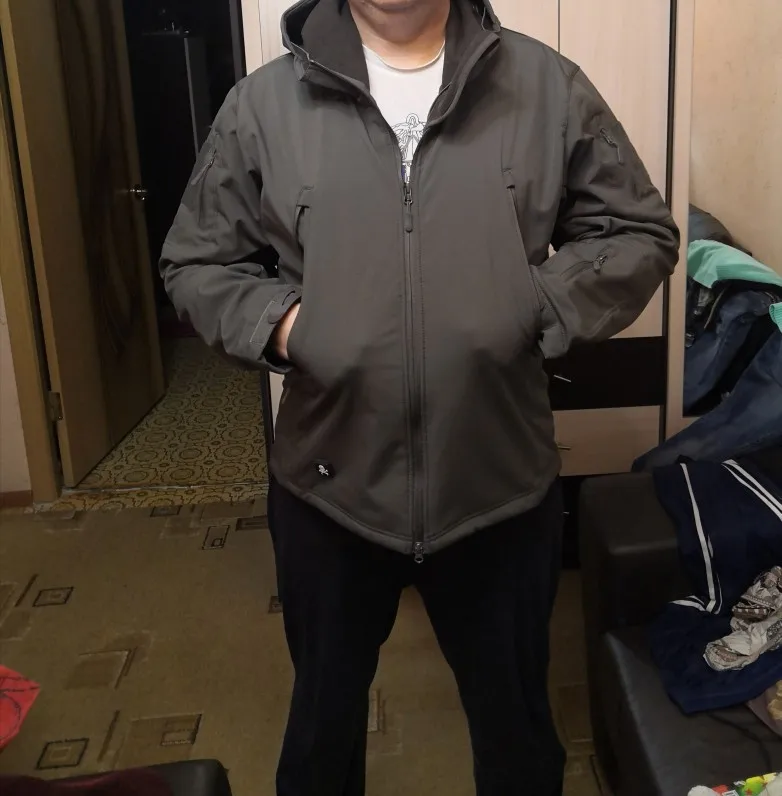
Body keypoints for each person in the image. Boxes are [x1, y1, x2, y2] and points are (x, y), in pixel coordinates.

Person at [160, 0, 680, 792]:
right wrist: (289, 326)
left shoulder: (545, 85)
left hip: (497, 491)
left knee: (518, 739)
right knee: (322, 737)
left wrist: (529, 304)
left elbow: (638, 233)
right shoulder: (262, 105)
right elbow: (197, 263)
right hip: (330, 494)